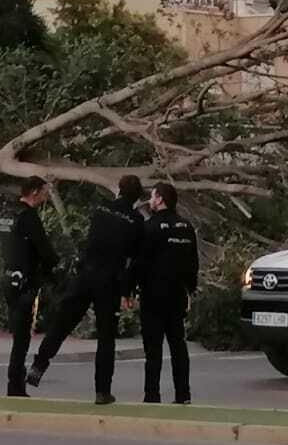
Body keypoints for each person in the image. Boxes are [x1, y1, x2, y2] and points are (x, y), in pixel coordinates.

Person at [27, 174, 144, 405]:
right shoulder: (136, 221)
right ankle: (102, 391)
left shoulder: (100, 208)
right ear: (136, 198)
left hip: (86, 274)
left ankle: (39, 366)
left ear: (119, 191)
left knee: (62, 323)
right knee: (106, 338)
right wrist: (128, 290)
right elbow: (135, 260)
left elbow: (91, 239)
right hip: (110, 281)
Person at [138, 181, 199, 404]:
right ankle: (183, 394)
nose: (150, 201)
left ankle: (151, 394)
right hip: (177, 295)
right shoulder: (186, 227)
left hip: (153, 295)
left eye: (153, 197)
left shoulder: (150, 227)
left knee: (153, 349)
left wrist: (133, 288)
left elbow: (141, 262)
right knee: (178, 345)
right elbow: (193, 263)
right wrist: (190, 290)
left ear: (160, 199)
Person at [0, 176, 57, 398]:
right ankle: (15, 386)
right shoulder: (29, 216)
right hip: (25, 282)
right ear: (34, 192)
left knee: (18, 333)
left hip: (8, 279)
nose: (45, 195)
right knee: (22, 337)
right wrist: (51, 267)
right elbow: (45, 250)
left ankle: (15, 383)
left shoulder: (7, 214)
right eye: (43, 191)